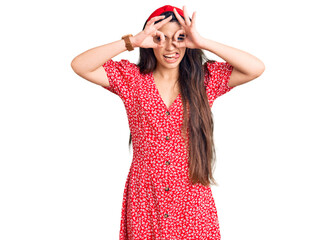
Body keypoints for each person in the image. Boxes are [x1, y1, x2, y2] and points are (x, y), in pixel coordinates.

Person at [71, 5, 265, 240]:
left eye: (179, 38)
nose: (171, 46)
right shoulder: (132, 80)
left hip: (191, 200)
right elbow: (80, 65)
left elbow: (256, 68)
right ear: (150, 40)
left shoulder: (203, 81)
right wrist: (132, 40)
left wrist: (202, 42)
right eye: (160, 38)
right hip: (146, 199)